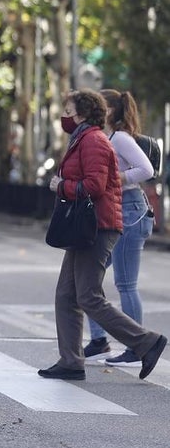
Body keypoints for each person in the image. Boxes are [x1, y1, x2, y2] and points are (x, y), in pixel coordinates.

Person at [39, 89, 167, 381]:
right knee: (66, 295)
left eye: (69, 112)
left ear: (83, 114)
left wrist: (61, 186)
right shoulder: (85, 138)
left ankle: (146, 341)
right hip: (85, 225)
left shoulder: (94, 140)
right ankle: (71, 361)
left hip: (97, 225)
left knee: (89, 295)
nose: (64, 117)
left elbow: (95, 186)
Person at [82, 89, 154, 367]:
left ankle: (137, 347)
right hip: (114, 208)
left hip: (130, 209)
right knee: (89, 276)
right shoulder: (105, 137)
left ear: (110, 110)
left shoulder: (120, 137)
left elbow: (146, 169)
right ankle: (99, 341)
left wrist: (118, 178)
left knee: (125, 283)